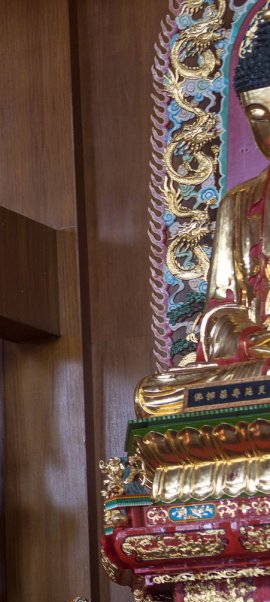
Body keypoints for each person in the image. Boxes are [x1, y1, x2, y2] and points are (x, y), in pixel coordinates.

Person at [137, 20, 270, 417]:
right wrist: (249, 341)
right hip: (259, 366)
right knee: (156, 396)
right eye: (260, 113)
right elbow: (220, 312)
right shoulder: (240, 203)